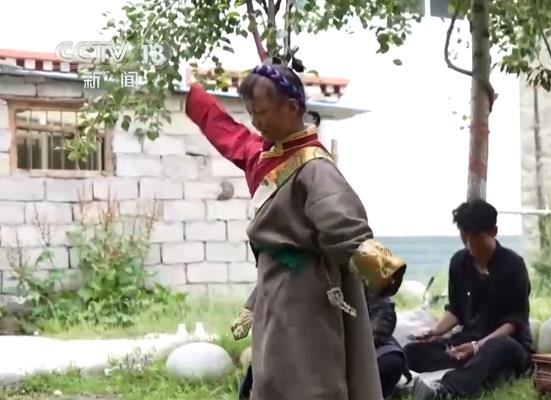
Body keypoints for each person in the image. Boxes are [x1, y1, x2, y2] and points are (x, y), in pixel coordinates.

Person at [184, 56, 407, 400]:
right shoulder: (267, 159)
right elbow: (231, 137)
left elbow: (340, 220)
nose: (256, 122)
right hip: (273, 288)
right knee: (274, 376)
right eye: (252, 114)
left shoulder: (314, 166)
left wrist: (380, 269)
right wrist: (197, 98)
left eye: (262, 112)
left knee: (310, 376)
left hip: (308, 293)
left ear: (291, 108)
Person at [405, 200, 532, 400]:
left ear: (493, 232)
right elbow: (456, 310)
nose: (470, 242)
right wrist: (435, 331)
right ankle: (403, 382)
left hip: (505, 343)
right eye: (465, 235)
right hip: (468, 340)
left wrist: (477, 346)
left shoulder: (513, 265)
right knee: (412, 351)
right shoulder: (459, 262)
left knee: (498, 348)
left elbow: (513, 323)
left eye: (476, 236)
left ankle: (445, 391)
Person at [236, 285, 409, 399]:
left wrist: (347, 350)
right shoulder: (297, 274)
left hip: (360, 347)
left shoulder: (357, 264)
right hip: (310, 351)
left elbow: (382, 317)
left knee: (389, 362)